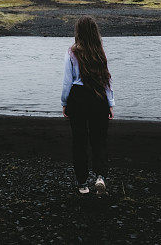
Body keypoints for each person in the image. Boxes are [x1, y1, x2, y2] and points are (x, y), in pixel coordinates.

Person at [61, 15, 114, 195]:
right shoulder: (100, 52)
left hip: (78, 98)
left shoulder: (72, 52)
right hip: (98, 97)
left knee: (80, 141)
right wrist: (110, 103)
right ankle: (100, 177)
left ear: (78, 32)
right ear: (94, 32)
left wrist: (64, 102)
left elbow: (67, 81)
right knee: (99, 140)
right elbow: (107, 79)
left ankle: (83, 184)